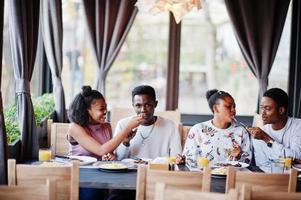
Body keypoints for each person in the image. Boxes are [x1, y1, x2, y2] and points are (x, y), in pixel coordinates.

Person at [177, 89, 251, 167]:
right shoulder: (198, 130)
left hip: (231, 177)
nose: (233, 110)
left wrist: (239, 156)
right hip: (202, 176)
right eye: (228, 106)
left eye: (234, 106)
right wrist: (182, 160)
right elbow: (189, 160)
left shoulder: (241, 132)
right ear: (216, 108)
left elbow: (247, 162)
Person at [67, 85, 145, 160]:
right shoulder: (74, 127)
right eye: (101, 109)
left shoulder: (106, 126)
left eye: (106, 107)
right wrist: (129, 127)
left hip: (99, 171)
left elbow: (107, 152)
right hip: (78, 170)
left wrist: (110, 156)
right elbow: (101, 150)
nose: (105, 112)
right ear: (87, 110)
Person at [114, 85, 182, 160]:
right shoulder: (123, 124)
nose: (143, 109)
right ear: (133, 106)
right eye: (138, 105)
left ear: (155, 104)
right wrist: (125, 143)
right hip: (129, 171)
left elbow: (176, 158)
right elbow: (118, 159)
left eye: (147, 105)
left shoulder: (169, 126)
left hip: (158, 170)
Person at [248, 88, 301, 168]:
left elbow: (297, 156)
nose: (263, 113)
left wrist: (266, 138)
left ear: (281, 110)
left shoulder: (298, 126)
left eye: (267, 108)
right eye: (262, 108)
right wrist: (287, 162)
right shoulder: (259, 134)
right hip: (270, 179)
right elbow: (263, 166)